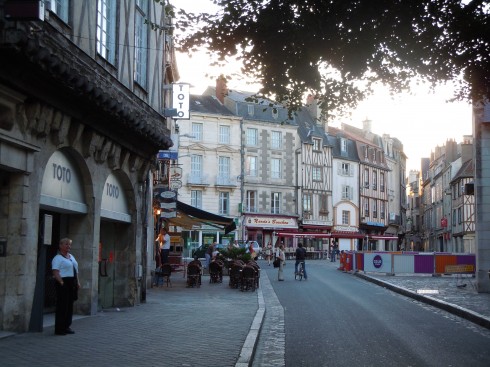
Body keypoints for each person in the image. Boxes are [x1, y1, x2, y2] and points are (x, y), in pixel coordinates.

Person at [51, 237, 80, 336]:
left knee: (69, 306)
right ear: (60, 246)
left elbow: (76, 270)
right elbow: (55, 272)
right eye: (66, 244)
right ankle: (59, 328)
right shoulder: (57, 258)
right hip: (63, 282)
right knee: (62, 306)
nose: (69, 246)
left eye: (69, 244)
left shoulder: (71, 256)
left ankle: (67, 326)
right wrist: (62, 283)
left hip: (72, 282)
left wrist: (78, 282)